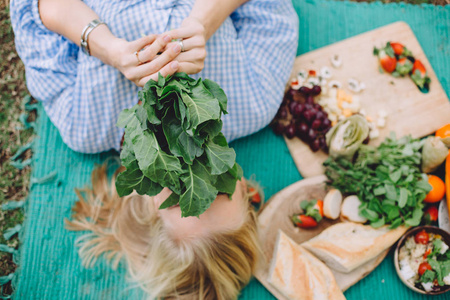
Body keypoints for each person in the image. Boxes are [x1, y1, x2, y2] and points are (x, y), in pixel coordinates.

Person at [11, 0, 299, 154]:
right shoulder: (254, 105)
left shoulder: (85, 127)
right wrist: (203, 22)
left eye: (179, 205)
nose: (187, 186)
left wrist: (107, 47)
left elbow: (39, 9)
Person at [66, 163, 262, 299]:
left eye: (180, 192)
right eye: (218, 186)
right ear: (243, 187)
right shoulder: (259, 108)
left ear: (153, 200)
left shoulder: (85, 128)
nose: (197, 171)